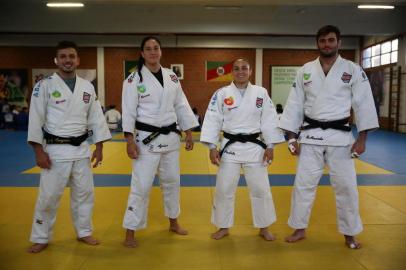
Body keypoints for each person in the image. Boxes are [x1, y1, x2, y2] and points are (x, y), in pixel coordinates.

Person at [279, 25, 379, 249]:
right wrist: (292, 138)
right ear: (317, 43)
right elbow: (295, 104)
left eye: (331, 40)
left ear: (339, 43)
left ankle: (350, 233)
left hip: (340, 137)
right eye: (323, 41)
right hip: (310, 136)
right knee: (303, 185)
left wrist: (362, 139)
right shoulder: (305, 70)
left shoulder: (352, 70)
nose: (327, 44)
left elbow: (363, 104)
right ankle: (299, 228)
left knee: (346, 187)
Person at [27, 41, 111, 253]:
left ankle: (84, 231)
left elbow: (96, 118)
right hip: (54, 151)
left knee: (84, 194)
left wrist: (99, 147)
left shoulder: (87, 87)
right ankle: (41, 236)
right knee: (48, 197)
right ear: (56, 60)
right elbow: (36, 119)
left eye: (71, 56)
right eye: (63, 56)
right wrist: (38, 151)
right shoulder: (44, 85)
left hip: (81, 150)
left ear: (77, 60)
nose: (67, 60)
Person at [121, 36, 198, 248]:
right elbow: (128, 111)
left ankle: (173, 222)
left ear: (161, 51)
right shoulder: (133, 79)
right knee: (141, 186)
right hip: (146, 141)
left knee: (172, 182)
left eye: (156, 48)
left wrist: (189, 131)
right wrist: (129, 140)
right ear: (142, 53)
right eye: (148, 49)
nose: (153, 52)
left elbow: (181, 105)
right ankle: (130, 231)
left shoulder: (172, 76)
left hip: (171, 139)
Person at [200, 58, 285, 241]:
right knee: (224, 189)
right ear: (232, 72)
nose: (240, 72)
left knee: (261, 189)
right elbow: (213, 119)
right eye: (237, 69)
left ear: (250, 71)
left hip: (255, 147)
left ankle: (264, 227)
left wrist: (270, 146)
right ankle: (223, 227)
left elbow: (269, 119)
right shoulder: (222, 93)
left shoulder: (261, 92)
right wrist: (212, 146)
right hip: (230, 147)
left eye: (244, 68)